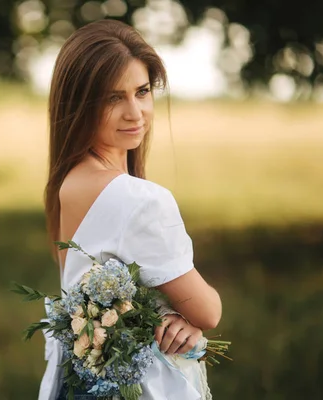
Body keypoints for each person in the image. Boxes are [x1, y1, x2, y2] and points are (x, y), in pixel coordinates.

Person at [40, 19, 222, 400]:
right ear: (79, 104)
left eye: (142, 92)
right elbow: (208, 311)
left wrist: (169, 321)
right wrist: (189, 323)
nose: (135, 112)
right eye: (112, 98)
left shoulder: (68, 182)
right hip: (134, 389)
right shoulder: (139, 199)